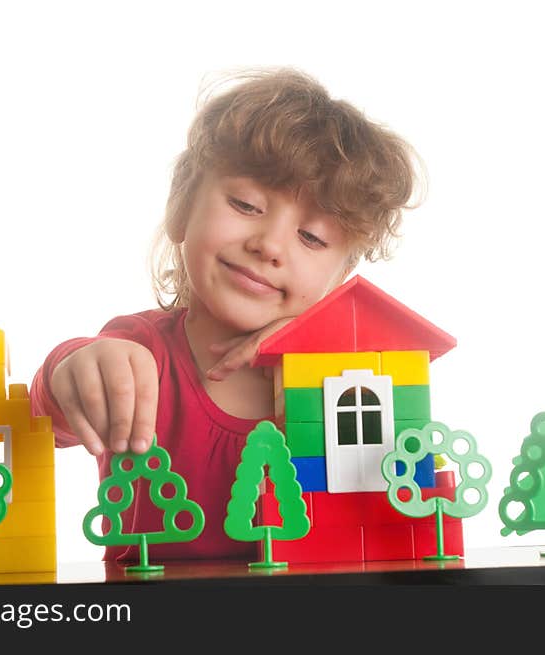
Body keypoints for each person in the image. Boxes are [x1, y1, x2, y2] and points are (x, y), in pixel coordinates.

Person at [30, 67, 424, 563]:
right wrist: (77, 365)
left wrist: (309, 356)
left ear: (339, 280)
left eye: (312, 238)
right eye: (245, 204)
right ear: (181, 207)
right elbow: (46, 416)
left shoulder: (350, 378)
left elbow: (391, 496)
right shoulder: (141, 350)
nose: (269, 245)